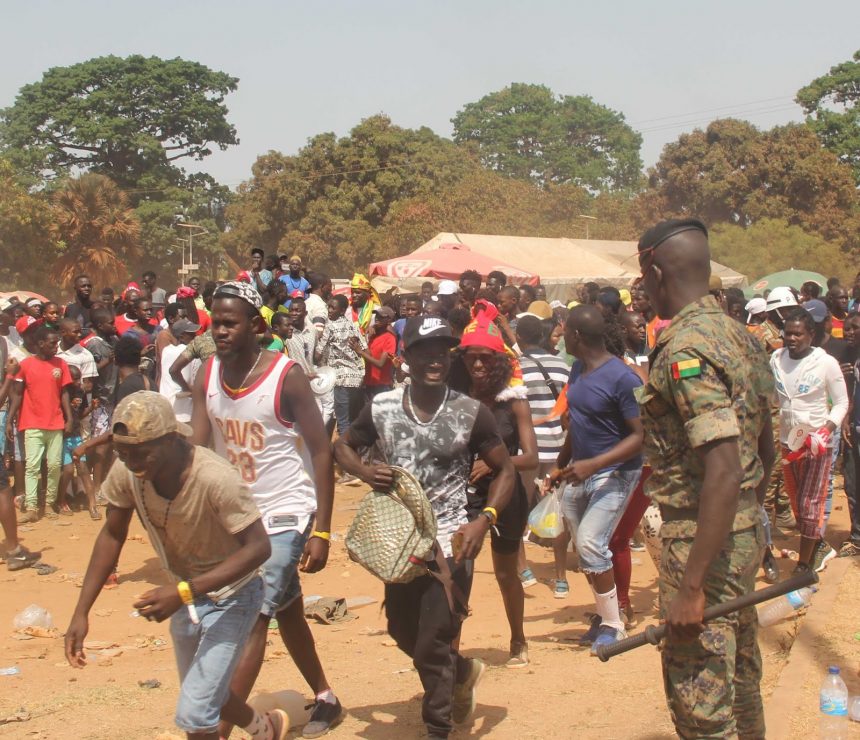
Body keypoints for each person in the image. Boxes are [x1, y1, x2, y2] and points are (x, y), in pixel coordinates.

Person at [64, 391, 289, 740]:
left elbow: (259, 548)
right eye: (122, 453)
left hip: (233, 595)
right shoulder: (128, 472)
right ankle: (265, 728)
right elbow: (111, 534)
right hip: (185, 597)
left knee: (196, 711)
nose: (132, 463)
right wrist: (81, 611)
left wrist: (184, 591)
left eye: (141, 453)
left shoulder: (215, 478)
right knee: (207, 693)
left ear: (170, 439)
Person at [334, 315, 516, 740]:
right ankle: (462, 672)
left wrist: (484, 520)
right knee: (402, 630)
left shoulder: (471, 412)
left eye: (442, 350)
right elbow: (342, 446)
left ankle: (439, 728)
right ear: (406, 358)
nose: (435, 358)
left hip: (452, 542)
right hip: (399, 544)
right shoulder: (379, 408)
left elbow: (505, 471)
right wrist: (363, 470)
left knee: (433, 641)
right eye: (424, 350)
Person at [636, 218, 774, 738]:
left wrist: (692, 585)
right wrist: (746, 517)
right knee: (739, 683)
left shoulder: (684, 351)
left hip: (700, 538)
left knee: (702, 700)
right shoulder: (738, 334)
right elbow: (765, 444)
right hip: (738, 533)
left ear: (653, 270)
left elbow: (724, 465)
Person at [190, 281, 342, 739]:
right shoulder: (206, 375)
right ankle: (326, 698)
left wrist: (323, 530)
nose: (220, 331)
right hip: (236, 516)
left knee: (254, 615)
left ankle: (220, 728)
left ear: (256, 325)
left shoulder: (286, 376)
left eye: (230, 323)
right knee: (289, 608)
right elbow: (198, 448)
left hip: (285, 513)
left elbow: (321, 450)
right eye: (215, 322)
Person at [546, 306, 644, 653]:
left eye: (565, 331)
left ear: (577, 336)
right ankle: (605, 617)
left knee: (590, 542)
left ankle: (614, 624)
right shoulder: (577, 369)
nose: (561, 335)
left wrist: (594, 464)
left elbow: (639, 436)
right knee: (583, 547)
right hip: (580, 471)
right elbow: (578, 422)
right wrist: (561, 465)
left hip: (616, 473)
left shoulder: (623, 378)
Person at [449, 304, 537, 667]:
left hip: (506, 493)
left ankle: (518, 638)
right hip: (463, 495)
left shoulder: (513, 402)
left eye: (486, 358)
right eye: (472, 358)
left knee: (505, 573)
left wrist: (496, 463)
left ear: (499, 360)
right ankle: (450, 650)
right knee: (457, 570)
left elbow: (531, 457)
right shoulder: (454, 397)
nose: (478, 365)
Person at [771, 307, 848, 572]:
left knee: (810, 503)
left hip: (817, 443)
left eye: (798, 335)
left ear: (811, 335)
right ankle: (819, 545)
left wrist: (827, 429)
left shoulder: (825, 363)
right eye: (787, 334)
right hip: (788, 442)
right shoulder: (776, 359)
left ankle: (803, 566)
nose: (791, 339)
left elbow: (841, 403)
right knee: (797, 504)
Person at [515, 315, 571, 595]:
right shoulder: (562, 365)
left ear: (519, 339)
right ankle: (561, 577)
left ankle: (523, 570)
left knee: (517, 511)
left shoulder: (517, 369)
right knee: (556, 513)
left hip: (527, 452)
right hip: (558, 450)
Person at [6, 323, 73, 522]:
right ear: (41, 343)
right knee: (32, 467)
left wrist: (69, 418)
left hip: (55, 423)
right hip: (32, 422)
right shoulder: (25, 365)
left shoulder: (61, 364)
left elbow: (65, 393)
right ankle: (32, 507)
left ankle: (51, 503)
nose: (56, 346)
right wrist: (10, 420)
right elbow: (17, 395)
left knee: (54, 465)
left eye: (57, 343)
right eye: (53, 343)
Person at [315, 293, 366, 438]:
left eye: (333, 308)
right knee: (353, 420)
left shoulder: (329, 327)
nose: (330, 310)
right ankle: (355, 453)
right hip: (356, 379)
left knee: (343, 422)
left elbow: (318, 354)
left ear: (343, 310)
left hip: (340, 378)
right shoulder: (353, 326)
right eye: (329, 307)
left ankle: (345, 455)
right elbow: (365, 349)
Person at [57, 365, 98, 519]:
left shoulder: (80, 392)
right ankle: (61, 500)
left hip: (75, 435)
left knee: (83, 470)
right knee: (67, 471)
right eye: (74, 379)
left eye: (78, 378)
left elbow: (80, 414)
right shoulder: (60, 392)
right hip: (62, 437)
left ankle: (92, 505)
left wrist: (92, 408)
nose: (78, 382)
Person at [158, 319, 201, 422]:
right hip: (185, 413)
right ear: (182, 337)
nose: (195, 337)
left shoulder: (166, 351)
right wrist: (188, 389)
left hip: (166, 411)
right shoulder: (191, 354)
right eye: (191, 334)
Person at [352, 305, 396, 400]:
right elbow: (370, 356)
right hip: (369, 383)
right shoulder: (373, 335)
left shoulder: (390, 338)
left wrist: (360, 352)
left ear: (389, 320)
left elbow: (380, 364)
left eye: (381, 317)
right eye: (377, 316)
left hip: (382, 385)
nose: (377, 318)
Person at [57, 318, 99, 388]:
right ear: (63, 333)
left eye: (80, 331)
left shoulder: (85, 355)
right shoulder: (52, 351)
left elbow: (88, 385)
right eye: (75, 332)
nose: (79, 334)